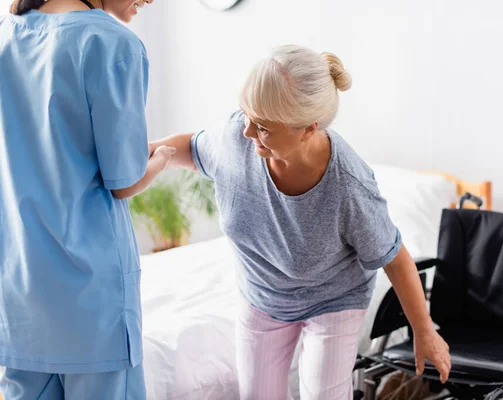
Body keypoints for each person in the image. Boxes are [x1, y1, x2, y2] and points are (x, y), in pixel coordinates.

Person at [150, 44, 451, 400]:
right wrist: (145, 153)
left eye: (262, 127)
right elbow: (193, 148)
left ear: (307, 130)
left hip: (333, 299)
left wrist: (423, 330)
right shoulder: (237, 138)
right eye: (246, 115)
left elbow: (394, 257)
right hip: (261, 292)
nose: (246, 132)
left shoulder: (348, 186)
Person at [0, 0, 174, 398]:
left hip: (20, 293)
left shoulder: (6, 36)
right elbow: (124, 181)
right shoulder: (112, 44)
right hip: (92, 301)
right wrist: (161, 158)